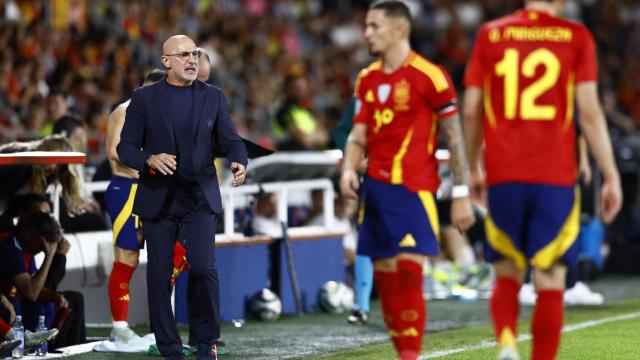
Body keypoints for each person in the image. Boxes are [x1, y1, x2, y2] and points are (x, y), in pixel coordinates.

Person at [462, 1, 623, 359]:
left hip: (503, 172)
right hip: (554, 175)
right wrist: (610, 174)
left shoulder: (491, 34)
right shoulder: (576, 36)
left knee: (506, 271)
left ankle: (506, 342)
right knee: (550, 278)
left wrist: (472, 167)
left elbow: (471, 109)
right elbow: (590, 112)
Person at [339, 2, 475, 359]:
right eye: (366, 26)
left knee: (409, 271)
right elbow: (358, 133)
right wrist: (348, 168)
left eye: (374, 26)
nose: (366, 33)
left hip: (415, 188)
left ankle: (410, 355)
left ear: (399, 30)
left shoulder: (430, 76)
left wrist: (462, 192)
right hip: (376, 190)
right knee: (385, 275)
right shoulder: (366, 79)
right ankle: (404, 352)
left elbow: (455, 138)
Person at [117, 35, 247, 360]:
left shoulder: (213, 96)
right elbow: (125, 148)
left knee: (203, 268)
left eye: (195, 53)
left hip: (199, 197)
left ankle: (206, 343)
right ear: (166, 62)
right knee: (159, 276)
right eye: (184, 54)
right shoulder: (144, 98)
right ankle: (170, 349)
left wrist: (239, 161)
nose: (191, 59)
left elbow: (232, 139)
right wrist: (148, 159)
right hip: (158, 197)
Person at [105, 68, 182, 342]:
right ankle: (120, 328)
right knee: (127, 259)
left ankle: (159, 320)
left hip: (152, 190)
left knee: (177, 253)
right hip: (127, 190)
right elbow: (114, 150)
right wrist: (150, 160)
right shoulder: (125, 111)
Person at [0, 212, 64, 347]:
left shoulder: (24, 249)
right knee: (13, 304)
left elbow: (33, 288)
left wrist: (53, 296)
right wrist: (49, 256)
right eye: (42, 244)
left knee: (48, 305)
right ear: (29, 234)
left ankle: (35, 348)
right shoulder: (10, 245)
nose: (42, 250)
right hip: (6, 302)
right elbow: (30, 293)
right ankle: (18, 344)